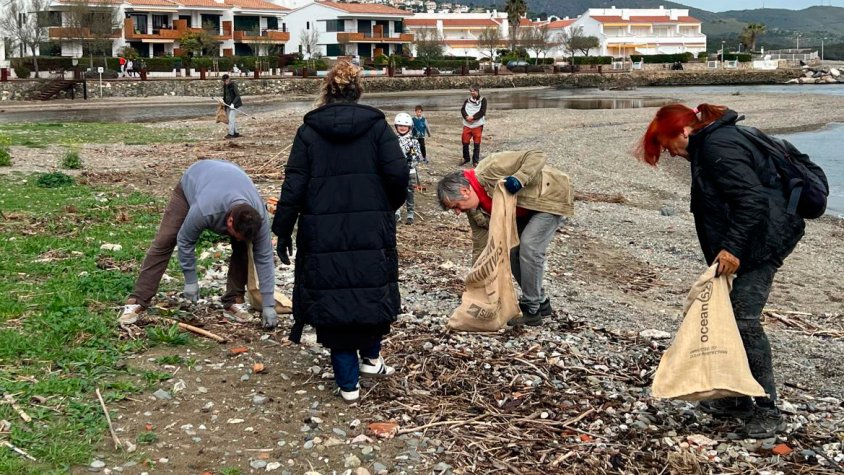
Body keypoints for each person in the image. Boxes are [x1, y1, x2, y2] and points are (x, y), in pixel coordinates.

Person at [637, 103, 806, 439]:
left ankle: (767, 409)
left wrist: (732, 249)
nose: (670, 154)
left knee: (744, 320)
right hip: (753, 240)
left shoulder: (717, 147)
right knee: (728, 315)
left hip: (765, 242)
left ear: (683, 131)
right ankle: (736, 398)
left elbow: (751, 201)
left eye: (667, 145)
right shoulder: (709, 146)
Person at [272, 61, 408, 403]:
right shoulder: (378, 129)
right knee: (370, 288)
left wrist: (283, 229)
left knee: (334, 295)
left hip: (322, 228)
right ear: (358, 91)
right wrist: (384, 206)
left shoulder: (308, 132)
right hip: (371, 225)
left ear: (327, 91)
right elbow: (398, 176)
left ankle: (349, 384)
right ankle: (371, 359)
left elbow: (293, 186)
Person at [118, 159, 278, 330]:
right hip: (194, 180)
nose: (237, 239)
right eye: (235, 235)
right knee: (165, 240)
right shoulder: (205, 209)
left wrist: (268, 304)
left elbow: (265, 258)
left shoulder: (260, 219)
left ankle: (234, 301)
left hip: (230, 176)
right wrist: (190, 280)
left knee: (243, 248)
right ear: (230, 221)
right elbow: (185, 240)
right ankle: (138, 300)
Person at [437, 150, 574, 326]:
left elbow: (537, 155)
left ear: (465, 191)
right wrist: (477, 280)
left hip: (549, 197)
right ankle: (541, 302)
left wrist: (518, 179)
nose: (457, 212)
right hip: (523, 210)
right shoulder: (473, 208)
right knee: (513, 250)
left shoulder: (492, 166)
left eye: (456, 206)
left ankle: (532, 309)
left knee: (530, 247)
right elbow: (480, 243)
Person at [394, 112, 423, 225]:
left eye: (405, 126)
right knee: (396, 191)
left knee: (410, 192)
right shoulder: (393, 141)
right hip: (396, 171)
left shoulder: (413, 141)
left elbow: (418, 157)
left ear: (409, 127)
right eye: (400, 125)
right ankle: (397, 212)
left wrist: (410, 163)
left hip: (410, 172)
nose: (402, 128)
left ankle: (410, 212)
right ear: (396, 126)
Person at [460, 84, 487, 166]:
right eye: (471, 91)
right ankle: (466, 158)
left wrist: (473, 117)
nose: (472, 92)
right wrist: (466, 117)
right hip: (467, 124)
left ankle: (475, 161)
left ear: (478, 91)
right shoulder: (467, 100)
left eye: (474, 91)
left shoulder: (483, 100)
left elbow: (482, 111)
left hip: (477, 125)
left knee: (476, 143)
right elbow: (463, 110)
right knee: (465, 142)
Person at [222, 74, 242, 138]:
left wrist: (233, 104)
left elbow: (237, 96)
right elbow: (225, 96)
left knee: (231, 119)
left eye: (226, 81)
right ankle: (236, 133)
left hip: (235, 105)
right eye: (224, 81)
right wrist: (222, 101)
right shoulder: (225, 85)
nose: (225, 82)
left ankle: (231, 134)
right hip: (228, 105)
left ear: (228, 79)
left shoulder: (233, 85)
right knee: (231, 119)